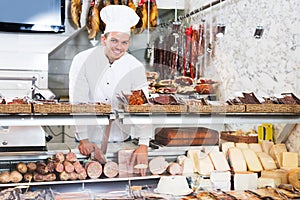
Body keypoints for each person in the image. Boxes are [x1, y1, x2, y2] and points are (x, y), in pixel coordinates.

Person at [69, 5, 151, 176]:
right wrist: (83, 138)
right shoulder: (82, 60)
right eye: (114, 40)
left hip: (121, 140)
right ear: (103, 39)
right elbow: (78, 100)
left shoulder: (135, 66)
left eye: (124, 42)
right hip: (88, 141)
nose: (119, 47)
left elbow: (142, 106)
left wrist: (144, 144)